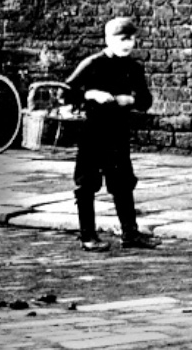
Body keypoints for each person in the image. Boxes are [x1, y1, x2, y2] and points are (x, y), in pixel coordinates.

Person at [63, 16, 156, 251]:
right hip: (93, 131)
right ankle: (88, 235)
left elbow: (146, 100)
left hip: (118, 132)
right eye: (122, 39)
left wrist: (131, 99)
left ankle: (130, 234)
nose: (127, 44)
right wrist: (90, 95)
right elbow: (65, 93)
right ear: (108, 40)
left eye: (131, 39)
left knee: (123, 183)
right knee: (87, 184)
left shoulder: (134, 68)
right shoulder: (93, 63)